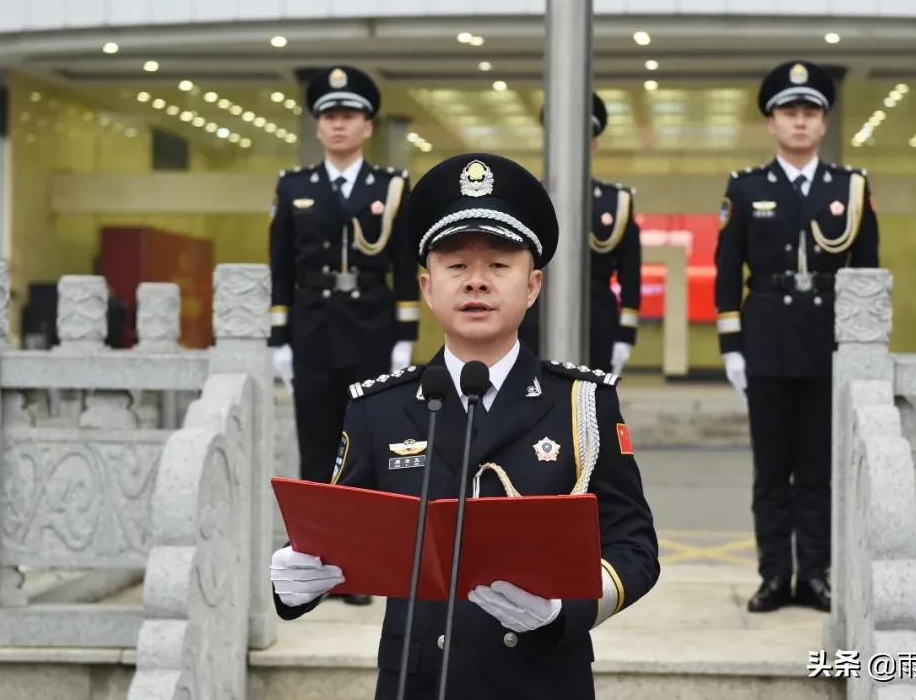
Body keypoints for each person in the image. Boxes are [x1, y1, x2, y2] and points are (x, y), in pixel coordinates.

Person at [270, 153, 660, 700]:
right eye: (456, 267)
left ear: (532, 286)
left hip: (542, 679)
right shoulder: (379, 409)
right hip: (420, 680)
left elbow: (634, 545)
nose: (476, 282)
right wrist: (294, 580)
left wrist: (565, 607)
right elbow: (335, 536)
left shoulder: (581, 403)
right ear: (427, 287)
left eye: (498, 265)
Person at [714, 61, 879, 614]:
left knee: (817, 472)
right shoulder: (747, 187)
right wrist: (732, 348)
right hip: (766, 343)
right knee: (771, 473)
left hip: (828, 345)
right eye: (790, 112)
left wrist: (863, 347)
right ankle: (773, 576)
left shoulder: (850, 187)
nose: (801, 121)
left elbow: (867, 274)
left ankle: (815, 575)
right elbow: (726, 271)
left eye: (810, 112)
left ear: (824, 123)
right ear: (772, 123)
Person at [268, 64, 420, 487]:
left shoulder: (390, 186)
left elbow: (404, 264)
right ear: (317, 128)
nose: (338, 125)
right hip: (311, 329)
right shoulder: (294, 187)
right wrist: (279, 339)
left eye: (348, 116)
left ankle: (369, 522)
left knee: (371, 437)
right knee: (316, 442)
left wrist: (405, 338)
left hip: (371, 327)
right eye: (329, 117)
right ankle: (315, 527)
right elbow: (281, 266)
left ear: (367, 127)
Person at [519, 92, 642, 376]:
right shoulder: (527, 196)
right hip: (534, 321)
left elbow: (630, 275)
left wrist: (626, 334)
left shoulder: (615, 202)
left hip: (596, 325)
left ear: (593, 144)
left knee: (590, 401)